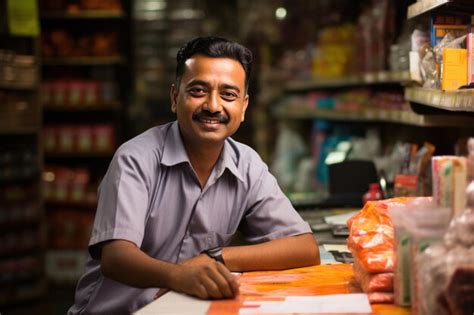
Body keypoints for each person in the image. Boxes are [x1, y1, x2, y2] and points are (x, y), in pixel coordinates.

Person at [68, 36, 320, 315]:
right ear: (175, 98)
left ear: (244, 107)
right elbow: (116, 258)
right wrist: (178, 276)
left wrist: (215, 257)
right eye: (198, 91)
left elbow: (304, 248)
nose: (213, 106)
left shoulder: (247, 165)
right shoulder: (136, 159)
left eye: (228, 95)